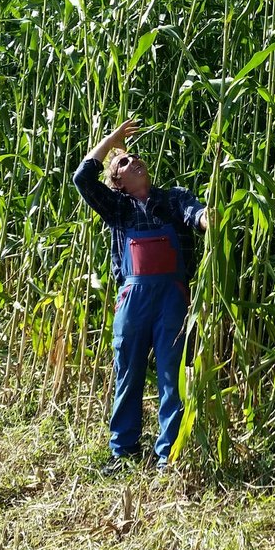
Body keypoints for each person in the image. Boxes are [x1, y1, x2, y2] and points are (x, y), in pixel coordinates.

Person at [72, 118, 211, 475]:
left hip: (173, 300)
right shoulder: (117, 207)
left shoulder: (173, 199)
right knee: (128, 375)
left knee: (171, 376)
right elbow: (81, 178)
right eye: (124, 162)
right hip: (132, 300)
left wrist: (211, 217)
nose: (134, 160)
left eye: (135, 157)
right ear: (116, 182)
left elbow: (197, 216)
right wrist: (112, 140)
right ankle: (123, 451)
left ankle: (169, 456)